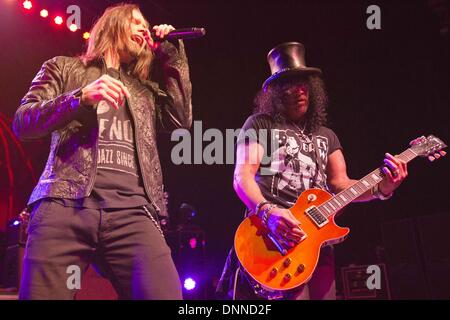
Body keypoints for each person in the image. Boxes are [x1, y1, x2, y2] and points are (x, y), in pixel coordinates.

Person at [12, 3, 192, 300]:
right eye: (135, 21)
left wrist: (172, 54)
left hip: (133, 212)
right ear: (113, 25)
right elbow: (23, 122)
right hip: (65, 204)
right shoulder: (63, 68)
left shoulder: (144, 90)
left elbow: (180, 121)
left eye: (146, 25)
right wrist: (79, 98)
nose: (143, 28)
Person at [217, 42, 407, 300]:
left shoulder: (327, 135)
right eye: (290, 84)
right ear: (276, 93)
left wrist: (383, 188)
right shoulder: (260, 124)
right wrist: (269, 212)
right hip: (276, 238)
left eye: (304, 83)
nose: (300, 90)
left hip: (318, 244)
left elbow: (340, 184)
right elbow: (242, 177)